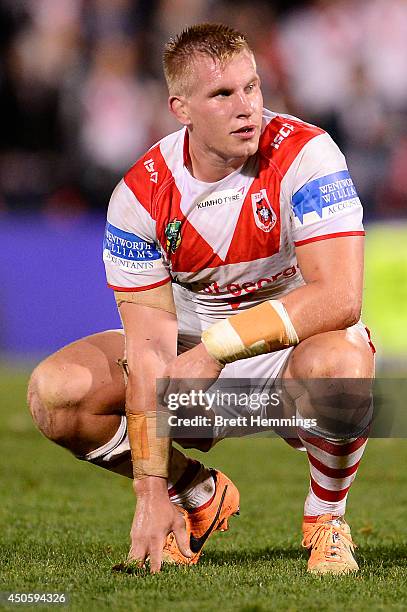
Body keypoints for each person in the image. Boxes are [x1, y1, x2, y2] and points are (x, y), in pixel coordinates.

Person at [28, 23, 375, 575]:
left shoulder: (307, 154)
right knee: (57, 392)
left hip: (286, 360)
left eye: (253, 87)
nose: (248, 108)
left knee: (343, 367)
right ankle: (198, 493)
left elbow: (340, 297)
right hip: (189, 371)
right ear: (180, 108)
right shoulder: (141, 196)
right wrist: (151, 492)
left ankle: (326, 519)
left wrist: (215, 348)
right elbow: (148, 351)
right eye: (223, 94)